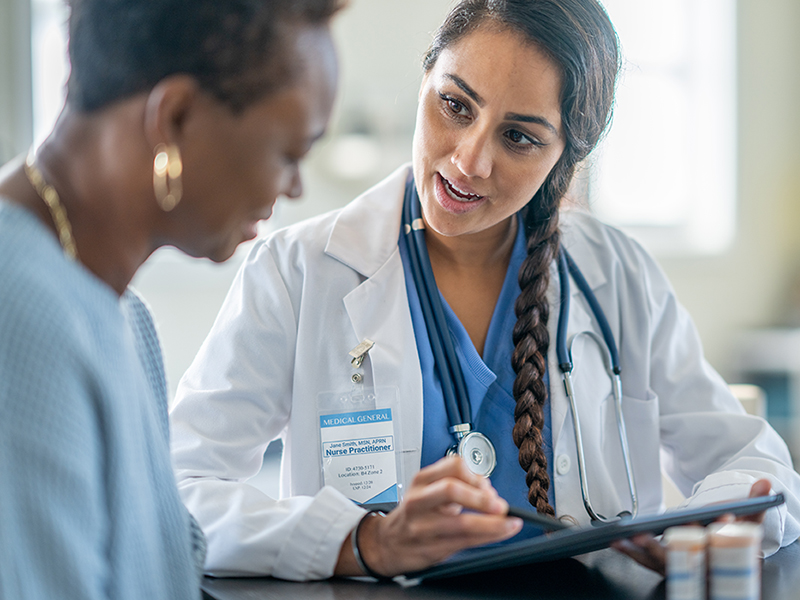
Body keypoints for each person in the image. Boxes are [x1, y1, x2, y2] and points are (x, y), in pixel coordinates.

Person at [169, 0, 800, 582]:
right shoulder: (299, 271)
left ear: (565, 157)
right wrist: (361, 541)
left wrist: (713, 528)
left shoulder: (617, 275)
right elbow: (177, 485)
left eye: (519, 137)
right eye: (455, 105)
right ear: (424, 84)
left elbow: (758, 466)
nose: (470, 161)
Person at [0, 0, 342, 597]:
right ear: (175, 117)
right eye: (288, 154)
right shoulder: (21, 318)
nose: (293, 187)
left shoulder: (127, 319)